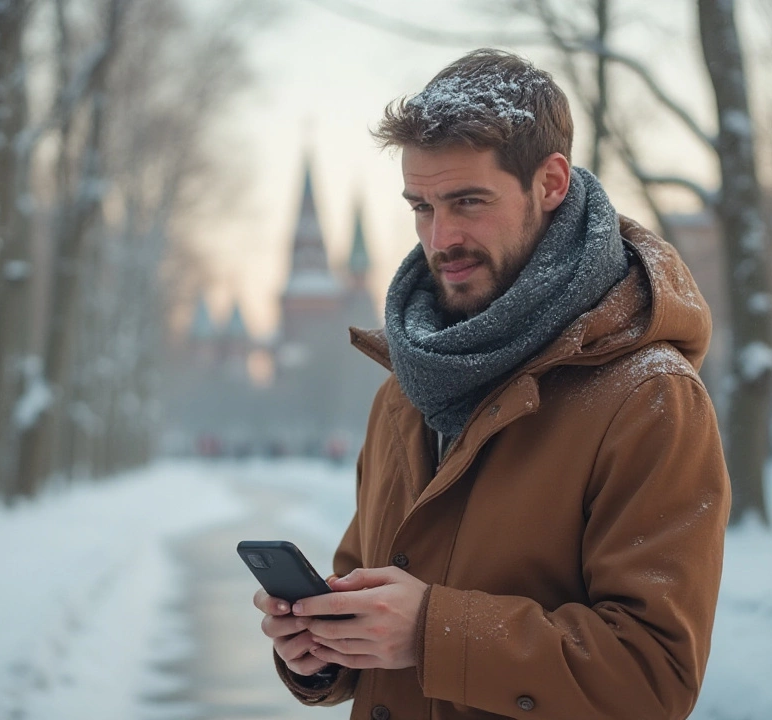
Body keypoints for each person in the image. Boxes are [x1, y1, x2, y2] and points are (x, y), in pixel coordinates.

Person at [253, 48, 730, 720]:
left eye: (468, 202)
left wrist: (430, 631)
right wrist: (321, 648)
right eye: (421, 206)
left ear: (551, 182)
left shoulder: (649, 397)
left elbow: (653, 678)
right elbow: (373, 602)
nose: (440, 237)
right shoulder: (407, 386)